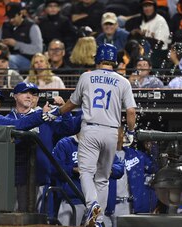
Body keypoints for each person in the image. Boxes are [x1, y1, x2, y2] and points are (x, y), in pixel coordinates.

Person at [43, 43, 137, 227]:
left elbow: (71, 103)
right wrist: (131, 132)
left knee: (86, 172)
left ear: (98, 59)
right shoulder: (123, 81)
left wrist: (57, 113)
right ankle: (99, 220)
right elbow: (131, 112)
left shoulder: (87, 77)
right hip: (111, 131)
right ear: (114, 61)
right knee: (102, 179)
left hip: (91, 129)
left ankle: (92, 204)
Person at [5, 82, 74, 212]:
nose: (29, 96)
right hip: (11, 177)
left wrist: (64, 110)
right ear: (15, 96)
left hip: (39, 177)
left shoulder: (46, 118)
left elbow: (68, 129)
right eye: (25, 92)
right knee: (9, 216)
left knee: (35, 218)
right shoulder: (6, 119)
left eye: (33, 94)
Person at [52, 133, 124, 227]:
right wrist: (74, 169)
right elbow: (54, 169)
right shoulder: (65, 144)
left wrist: (106, 169)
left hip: (97, 204)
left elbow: (119, 169)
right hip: (73, 201)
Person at [1, 2, 43, 71]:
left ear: (20, 14)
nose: (11, 20)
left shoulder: (32, 26)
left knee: (8, 59)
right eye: (9, 17)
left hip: (28, 60)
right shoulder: (5, 26)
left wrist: (16, 44)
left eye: (13, 17)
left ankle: (15, 80)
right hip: (8, 57)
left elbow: (38, 49)